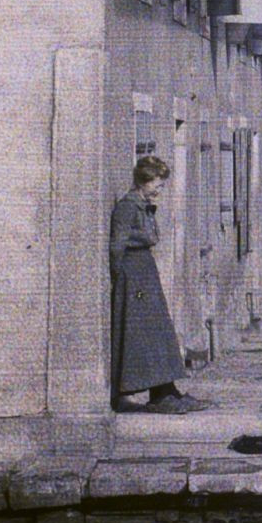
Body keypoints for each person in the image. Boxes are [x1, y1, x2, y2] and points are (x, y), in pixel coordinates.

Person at [109, 156, 202, 413]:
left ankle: (167, 389)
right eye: (157, 184)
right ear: (144, 181)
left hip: (144, 272)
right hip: (134, 275)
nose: (159, 189)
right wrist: (121, 280)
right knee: (146, 335)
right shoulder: (128, 206)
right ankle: (159, 394)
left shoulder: (143, 205)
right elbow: (117, 245)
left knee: (159, 332)